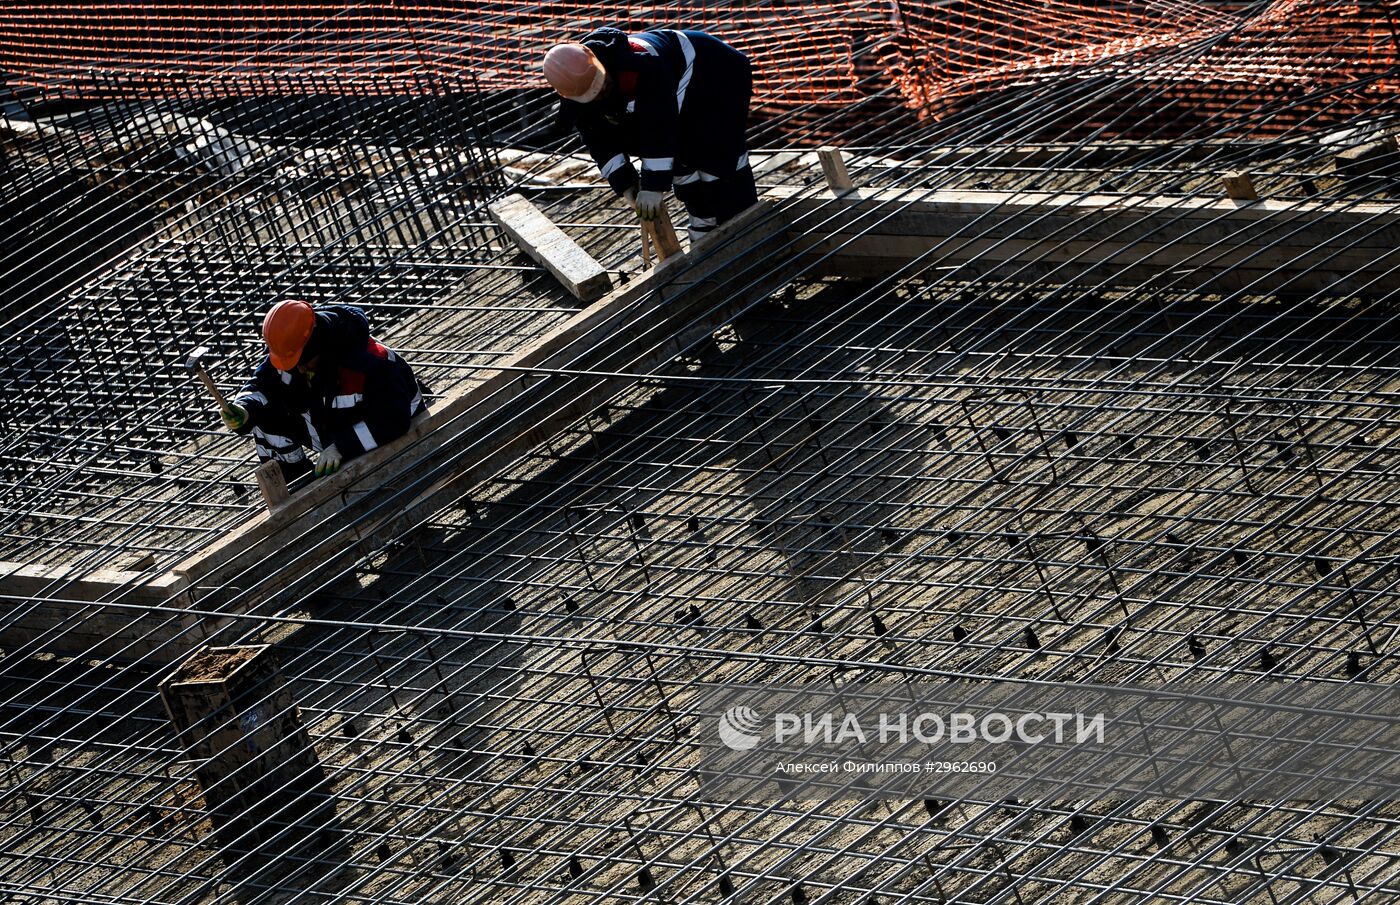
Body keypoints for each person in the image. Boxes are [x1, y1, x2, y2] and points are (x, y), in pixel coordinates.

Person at [543, 27, 756, 246]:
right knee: (682, 168)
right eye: (595, 94)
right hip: (677, 90)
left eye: (604, 85)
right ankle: (705, 235)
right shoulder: (576, 94)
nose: (603, 91)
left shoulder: (642, 63)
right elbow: (599, 141)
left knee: (718, 160)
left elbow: (659, 126)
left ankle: (747, 228)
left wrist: (653, 186)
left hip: (715, 73)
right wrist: (627, 183)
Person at [220, 300, 427, 481]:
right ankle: (299, 482)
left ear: (319, 347)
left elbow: (393, 420)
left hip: (394, 434)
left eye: (303, 362)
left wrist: (341, 445)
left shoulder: (371, 363)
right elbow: (263, 383)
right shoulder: (295, 350)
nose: (299, 369)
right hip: (338, 427)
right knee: (265, 415)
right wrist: (244, 409)